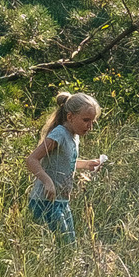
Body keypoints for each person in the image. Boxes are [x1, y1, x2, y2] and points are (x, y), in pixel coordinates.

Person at [25, 91, 107, 242]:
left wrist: (87, 164)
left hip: (62, 202)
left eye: (93, 121)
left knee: (68, 249)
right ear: (70, 117)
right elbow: (32, 160)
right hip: (44, 202)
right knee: (61, 247)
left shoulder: (74, 136)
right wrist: (47, 181)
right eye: (86, 120)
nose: (90, 126)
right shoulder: (59, 134)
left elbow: (63, 161)